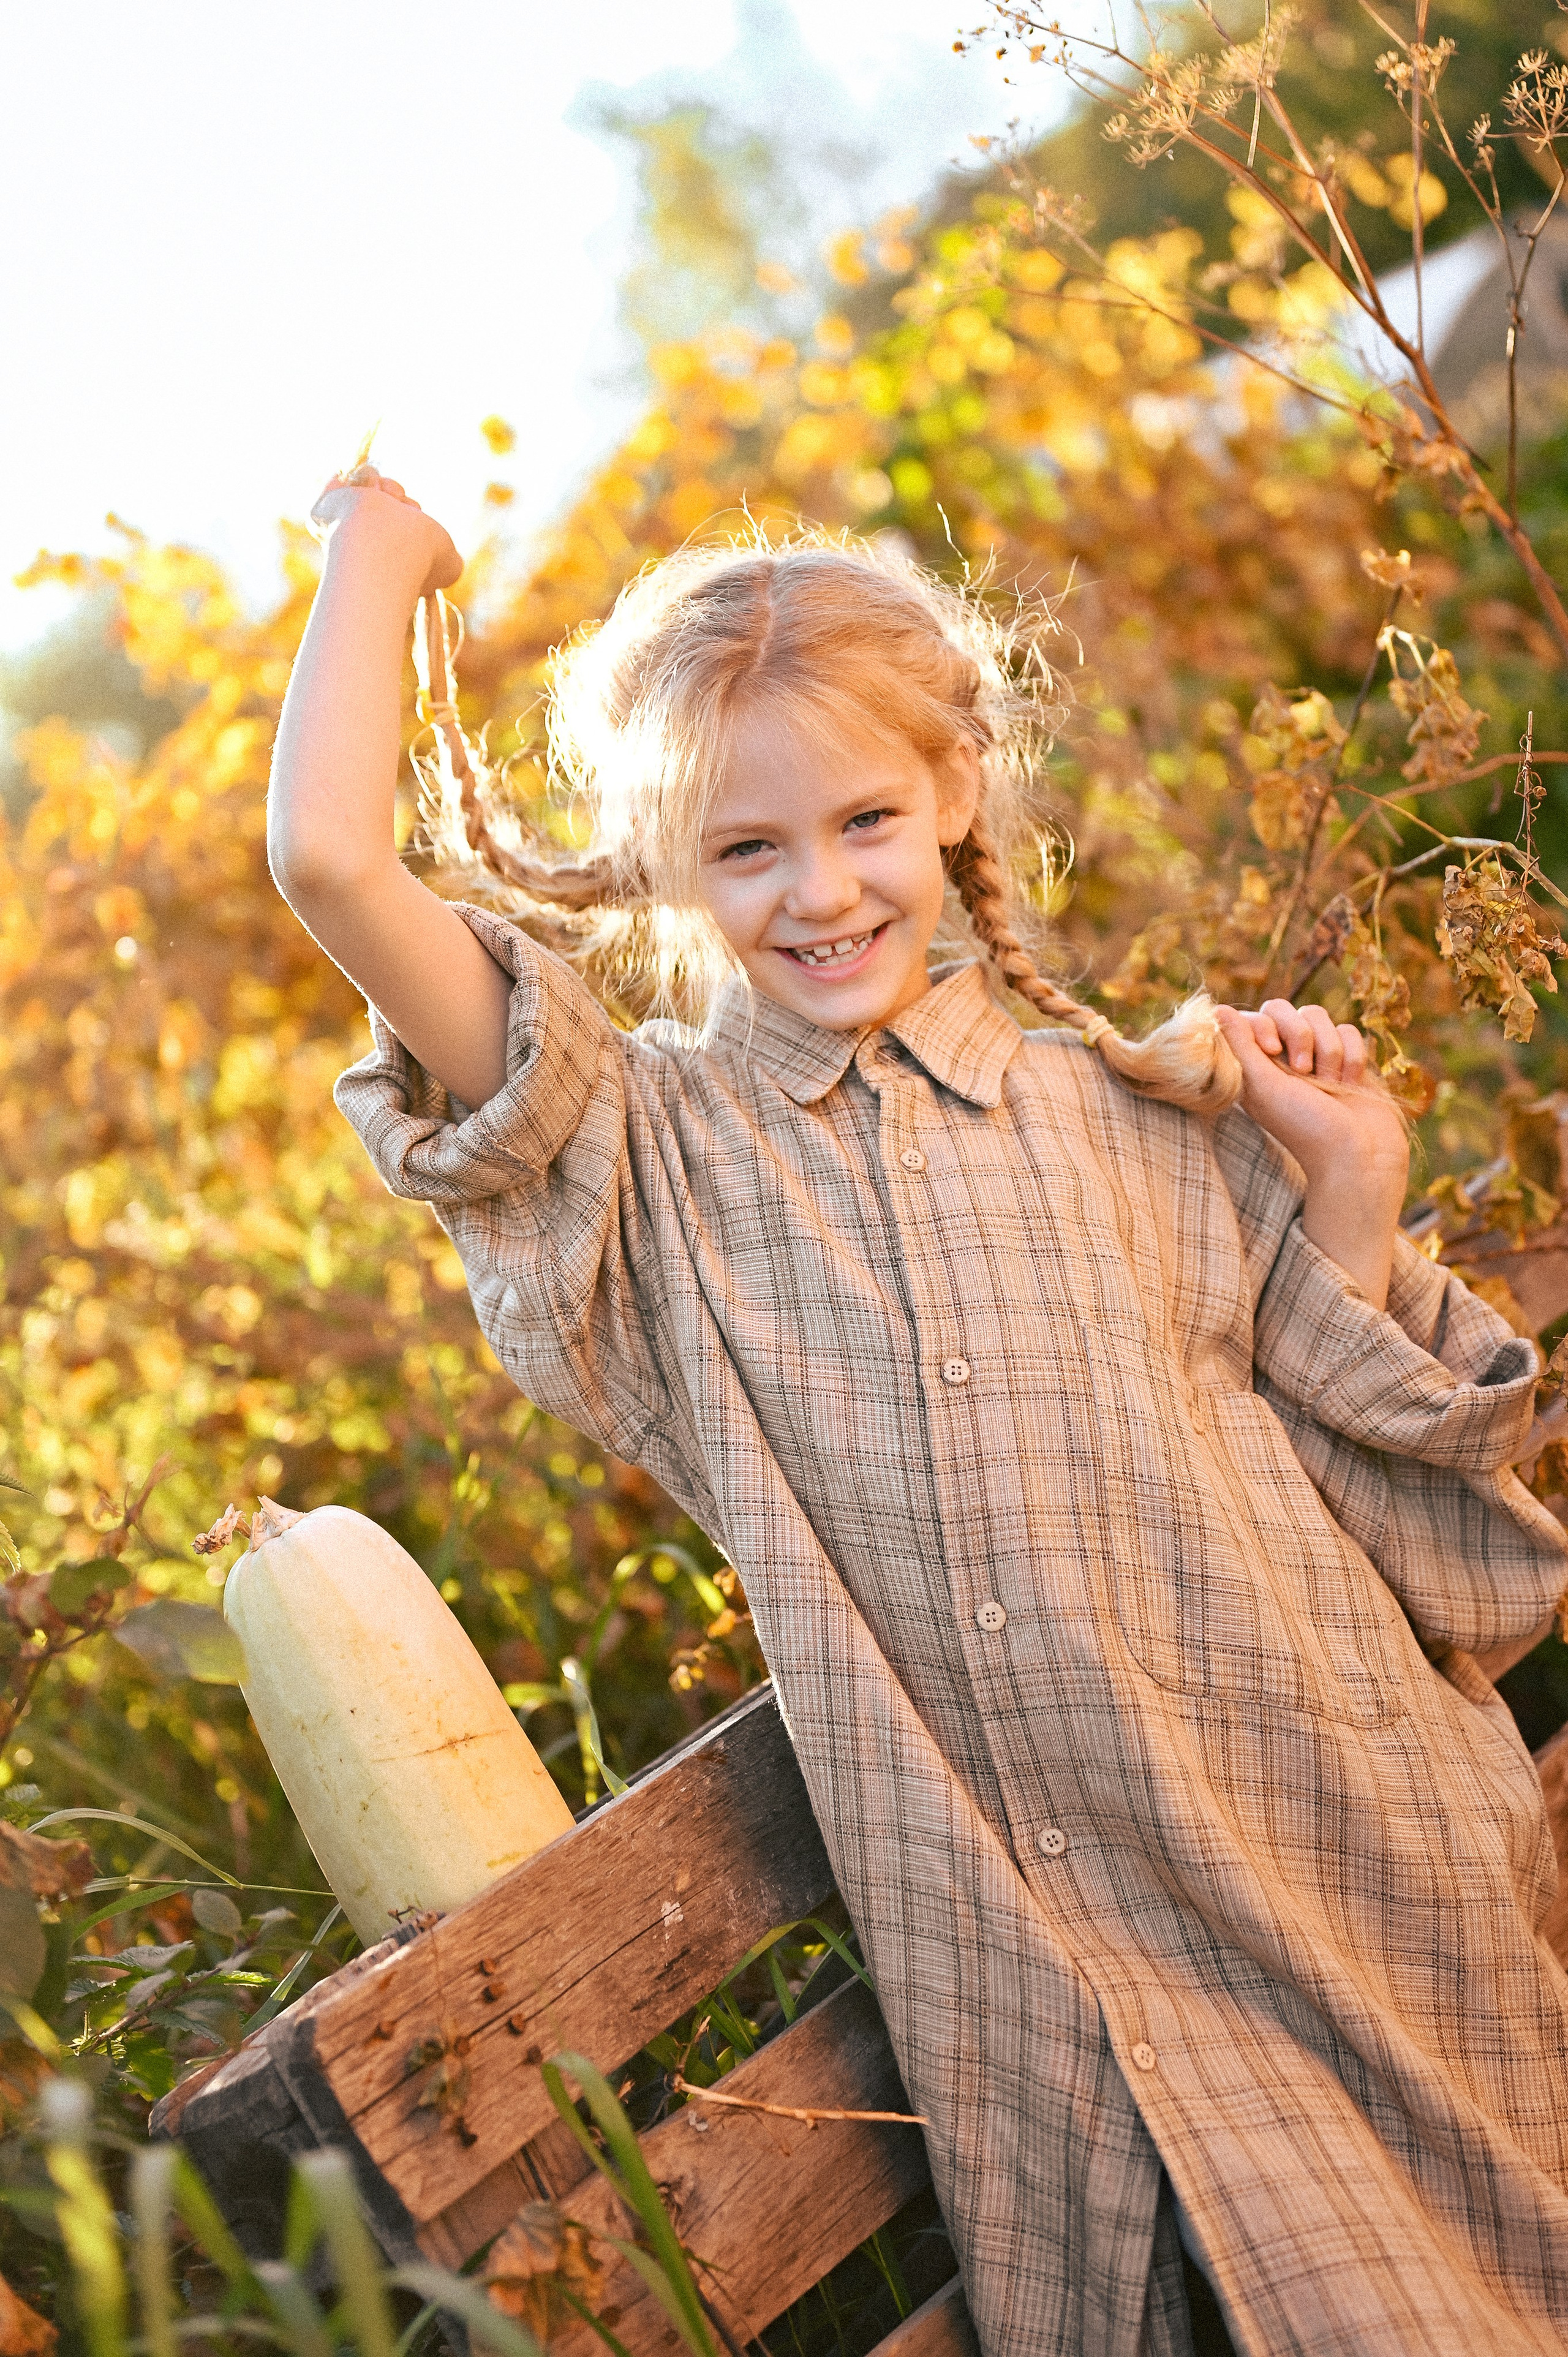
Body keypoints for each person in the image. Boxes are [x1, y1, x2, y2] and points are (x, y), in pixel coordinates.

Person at [269, 464, 1568, 2357]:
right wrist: (374, 552)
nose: (819, 891)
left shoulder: (1147, 1121)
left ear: (955, 788)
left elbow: (1456, 1584)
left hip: (1375, 1894)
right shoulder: (641, 1173)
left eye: (866, 818)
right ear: (660, 871)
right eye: (743, 850)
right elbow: (329, 866)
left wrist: (1351, 1203)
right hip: (1073, 2015)